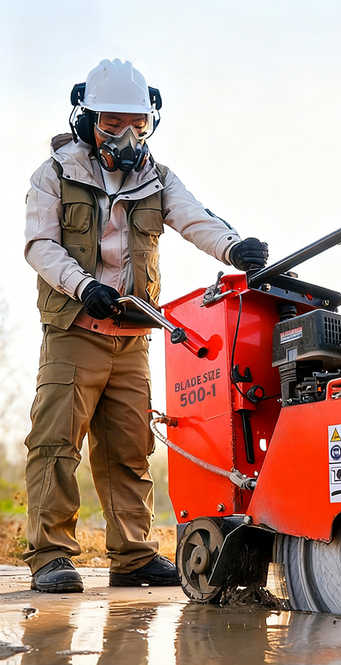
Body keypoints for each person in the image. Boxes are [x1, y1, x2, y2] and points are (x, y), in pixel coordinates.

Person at [23, 58, 268, 592]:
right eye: (112, 124)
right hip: (75, 328)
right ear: (87, 120)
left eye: (137, 125)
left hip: (131, 336)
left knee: (130, 448)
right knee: (56, 442)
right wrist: (84, 286)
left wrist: (234, 249)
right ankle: (50, 556)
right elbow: (40, 245)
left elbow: (195, 218)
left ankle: (133, 557)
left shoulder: (157, 178)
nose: (126, 136)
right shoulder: (55, 173)